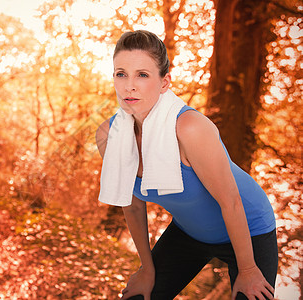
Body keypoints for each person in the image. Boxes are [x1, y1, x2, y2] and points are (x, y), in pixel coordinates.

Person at [95, 30, 278, 300]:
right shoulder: (109, 135)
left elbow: (231, 201)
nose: (129, 86)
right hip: (189, 232)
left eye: (142, 75)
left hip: (248, 229)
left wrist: (249, 269)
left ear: (164, 82)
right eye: (121, 74)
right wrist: (147, 269)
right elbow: (132, 203)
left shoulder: (190, 128)